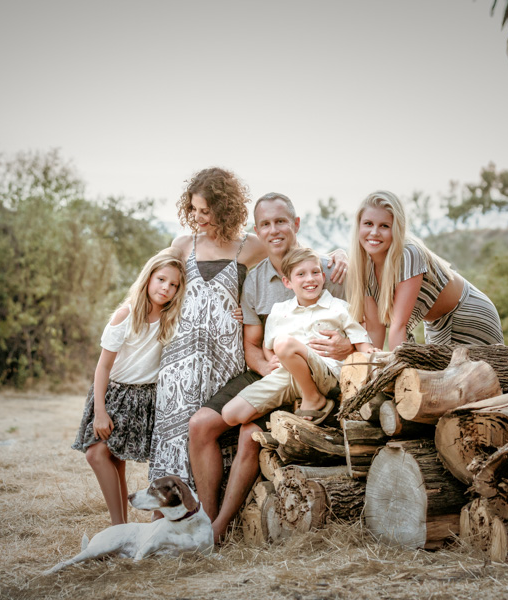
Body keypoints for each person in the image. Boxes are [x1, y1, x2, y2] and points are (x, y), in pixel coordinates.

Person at [188, 192, 352, 542]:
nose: (274, 230)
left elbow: (362, 326)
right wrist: (265, 368)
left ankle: (219, 530)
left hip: (316, 374)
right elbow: (251, 344)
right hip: (268, 371)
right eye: (265, 224)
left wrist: (347, 346)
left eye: (281, 221)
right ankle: (204, 520)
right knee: (200, 425)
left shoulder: (329, 269)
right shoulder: (255, 279)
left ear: (296, 224)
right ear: (257, 230)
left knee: (249, 433)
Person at [148, 167, 267, 486]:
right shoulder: (183, 244)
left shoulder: (250, 246)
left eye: (206, 211)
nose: (197, 217)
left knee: (213, 434)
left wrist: (337, 255)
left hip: (225, 361)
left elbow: (296, 258)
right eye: (194, 209)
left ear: (225, 209)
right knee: (175, 436)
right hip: (179, 362)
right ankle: (169, 510)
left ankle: (210, 510)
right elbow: (156, 283)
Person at [71, 250, 186, 525]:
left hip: (144, 397)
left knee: (115, 460)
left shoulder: (171, 317)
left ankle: (120, 527)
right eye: (161, 279)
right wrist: (100, 411)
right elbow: (103, 367)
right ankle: (119, 527)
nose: (166, 288)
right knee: (97, 454)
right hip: (114, 395)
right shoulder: (126, 314)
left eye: (173, 285)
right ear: (148, 278)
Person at [220, 247, 373, 429]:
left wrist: (372, 357)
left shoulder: (339, 308)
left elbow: (361, 342)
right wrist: (271, 360)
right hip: (287, 375)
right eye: (301, 274)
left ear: (323, 277)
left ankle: (313, 398)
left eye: (315, 272)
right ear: (287, 282)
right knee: (230, 414)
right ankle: (300, 401)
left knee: (284, 343)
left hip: (326, 373)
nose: (310, 279)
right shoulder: (279, 311)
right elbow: (268, 346)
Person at [347, 190, 503, 351]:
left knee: (479, 369)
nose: (374, 232)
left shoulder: (409, 254)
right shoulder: (363, 267)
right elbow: (374, 329)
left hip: (469, 315)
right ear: (359, 225)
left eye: (384, 226)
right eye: (368, 224)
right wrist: (372, 363)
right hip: (436, 325)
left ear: (396, 229)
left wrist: (392, 366)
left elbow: (399, 325)